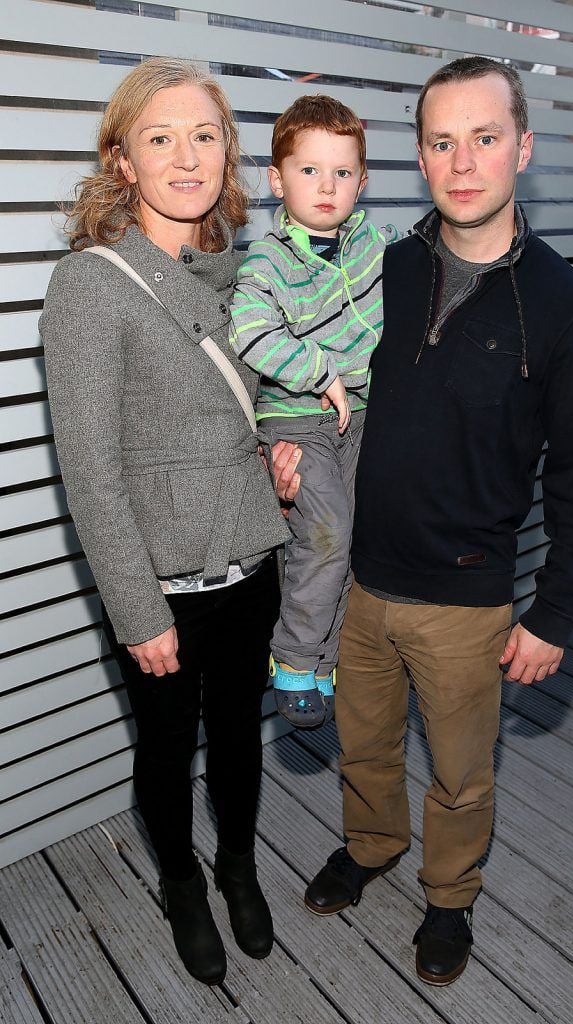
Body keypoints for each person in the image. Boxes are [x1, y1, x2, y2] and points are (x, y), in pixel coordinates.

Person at [304, 56, 573, 986]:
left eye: (484, 137)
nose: (463, 161)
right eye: (442, 142)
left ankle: (448, 895)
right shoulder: (380, 269)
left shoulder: (565, 306)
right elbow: (318, 377)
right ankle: (371, 845)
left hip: (468, 600)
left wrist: (555, 612)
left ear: (522, 148)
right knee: (360, 746)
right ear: (421, 156)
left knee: (461, 775)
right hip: (360, 580)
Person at [40, 58, 295, 987]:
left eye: (204, 134)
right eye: (160, 138)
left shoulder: (244, 273)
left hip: (251, 561)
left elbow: (253, 404)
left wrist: (283, 445)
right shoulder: (90, 286)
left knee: (238, 734)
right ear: (122, 159)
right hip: (162, 587)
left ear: (227, 153)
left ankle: (236, 864)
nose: (186, 156)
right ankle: (181, 879)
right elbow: (91, 473)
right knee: (165, 746)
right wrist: (137, 609)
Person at [230, 95, 389, 728]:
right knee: (323, 535)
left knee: (353, 538)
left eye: (342, 173)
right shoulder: (268, 258)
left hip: (362, 421)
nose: (327, 187)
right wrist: (319, 370)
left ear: (363, 180)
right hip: (296, 420)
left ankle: (327, 660)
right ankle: (294, 658)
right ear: (276, 179)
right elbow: (248, 331)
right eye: (308, 171)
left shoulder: (373, 247)